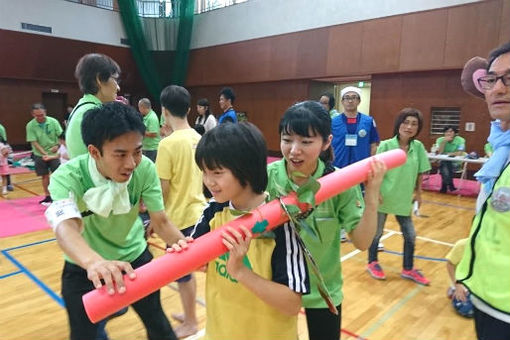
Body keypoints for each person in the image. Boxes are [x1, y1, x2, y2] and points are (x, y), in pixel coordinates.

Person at [45, 102, 186, 340]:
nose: (131, 163)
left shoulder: (145, 170)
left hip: (135, 259)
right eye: (120, 154)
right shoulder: (68, 177)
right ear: (94, 152)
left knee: (160, 327)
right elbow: (65, 228)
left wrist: (186, 248)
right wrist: (94, 263)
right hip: (85, 268)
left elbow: (160, 222)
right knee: (84, 335)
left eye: (138, 151)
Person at [176, 122, 309, 340]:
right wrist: (186, 253)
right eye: (204, 172)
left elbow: (292, 304)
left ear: (245, 170)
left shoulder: (281, 222)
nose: (209, 181)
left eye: (217, 173)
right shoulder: (214, 211)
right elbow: (199, 263)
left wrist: (240, 272)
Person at [266, 101, 386, 340]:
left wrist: (372, 196)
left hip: (323, 290)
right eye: (287, 139)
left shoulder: (339, 182)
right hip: (276, 286)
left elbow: (362, 242)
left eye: (306, 142)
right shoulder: (268, 176)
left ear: (327, 142)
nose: (294, 150)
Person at [456, 42, 510, 340]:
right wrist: (467, 276)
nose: (499, 89)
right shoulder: (500, 150)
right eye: (492, 79)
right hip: (486, 298)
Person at [155, 85, 206, 338]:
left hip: (177, 219)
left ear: (164, 111)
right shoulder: (199, 138)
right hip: (200, 214)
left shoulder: (167, 144)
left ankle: (191, 322)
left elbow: (162, 190)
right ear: (188, 109)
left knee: (182, 274)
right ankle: (189, 315)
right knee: (184, 273)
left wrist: (155, 220)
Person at [366, 108, 431, 285]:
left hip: (403, 199)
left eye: (414, 124)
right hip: (384, 197)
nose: (409, 127)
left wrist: (419, 193)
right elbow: (374, 171)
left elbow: (419, 172)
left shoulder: (418, 148)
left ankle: (408, 269)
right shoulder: (386, 145)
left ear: (418, 128)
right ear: (399, 124)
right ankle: (372, 262)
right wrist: (376, 191)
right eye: (406, 122)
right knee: (376, 233)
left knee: (410, 235)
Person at [66, 53, 121, 159]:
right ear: (99, 79)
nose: (118, 87)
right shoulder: (94, 113)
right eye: (115, 79)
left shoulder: (80, 108)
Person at [331, 86, 380, 169]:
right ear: (342, 101)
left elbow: (373, 145)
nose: (350, 101)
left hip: (362, 166)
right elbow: (328, 144)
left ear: (359, 101)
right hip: (338, 165)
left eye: (354, 97)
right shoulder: (333, 122)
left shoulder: (368, 121)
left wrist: (372, 164)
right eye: (347, 98)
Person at [26, 103, 63, 205]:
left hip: (54, 153)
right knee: (44, 176)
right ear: (33, 114)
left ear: (45, 112)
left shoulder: (53, 122)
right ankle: (47, 196)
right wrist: (44, 153)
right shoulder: (30, 125)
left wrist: (57, 145)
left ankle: (58, 195)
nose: (40, 117)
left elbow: (61, 136)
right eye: (37, 115)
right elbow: (34, 142)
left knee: (57, 175)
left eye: (42, 115)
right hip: (39, 154)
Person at [446, 238, 474, 318]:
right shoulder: (462, 245)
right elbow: (450, 264)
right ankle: (453, 289)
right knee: (467, 308)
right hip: (461, 281)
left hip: (478, 280)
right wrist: (457, 285)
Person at [434, 126, 466, 193]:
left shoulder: (461, 140)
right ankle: (450, 185)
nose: (448, 133)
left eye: (451, 132)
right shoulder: (440, 140)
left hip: (456, 163)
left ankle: (444, 185)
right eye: (446, 132)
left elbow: (460, 152)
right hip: (443, 162)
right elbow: (439, 152)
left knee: (445, 164)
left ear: (455, 133)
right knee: (445, 163)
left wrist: (451, 154)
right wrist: (444, 142)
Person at [138, 98, 160, 162]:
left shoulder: (152, 118)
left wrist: (140, 131)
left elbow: (153, 133)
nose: (139, 110)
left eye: (139, 107)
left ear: (143, 107)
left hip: (151, 148)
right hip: (146, 147)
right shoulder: (146, 116)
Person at [0, 122, 13, 192]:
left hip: (2, 159)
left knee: (5, 173)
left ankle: (8, 184)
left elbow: (4, 140)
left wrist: (5, 152)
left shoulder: (1, 128)